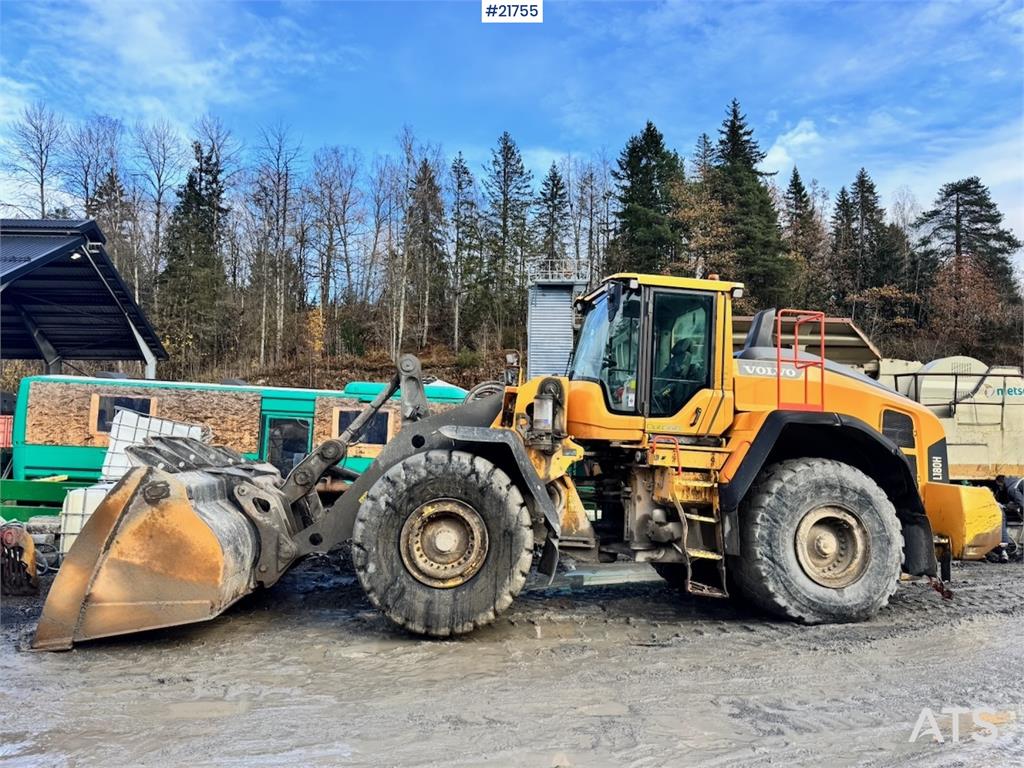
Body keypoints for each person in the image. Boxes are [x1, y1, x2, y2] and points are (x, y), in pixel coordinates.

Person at [994, 475, 1023, 563]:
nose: (1000, 488)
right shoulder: (1018, 481)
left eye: (999, 486)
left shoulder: (1012, 488)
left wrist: (1005, 506)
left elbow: (1022, 504)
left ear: (1001, 483)